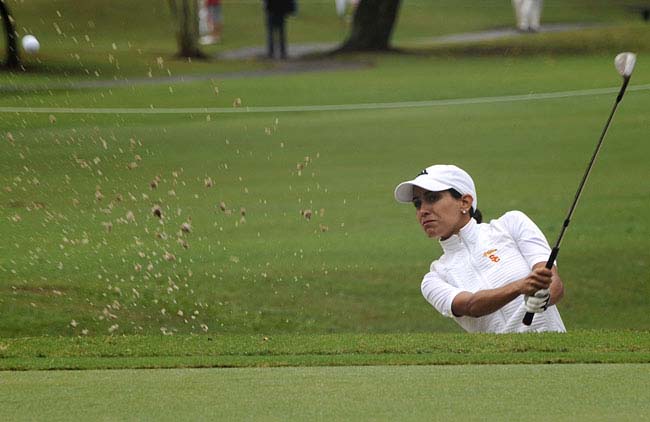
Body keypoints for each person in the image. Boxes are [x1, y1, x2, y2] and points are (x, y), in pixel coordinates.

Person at [394, 164, 565, 333]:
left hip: (556, 351)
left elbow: (552, 281)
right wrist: (520, 287)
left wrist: (545, 295)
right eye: (417, 204)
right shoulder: (434, 278)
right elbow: (471, 306)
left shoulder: (512, 224)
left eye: (432, 198)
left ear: (465, 202)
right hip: (501, 359)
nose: (423, 210)